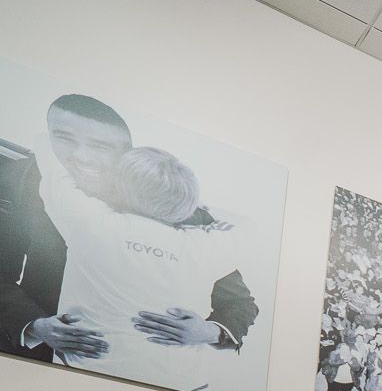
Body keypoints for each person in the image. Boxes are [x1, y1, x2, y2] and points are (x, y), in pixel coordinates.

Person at [0, 94, 259, 366]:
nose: (80, 156)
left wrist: (208, 332)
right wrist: (35, 325)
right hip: (32, 363)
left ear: (127, 153)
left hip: (153, 376)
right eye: (64, 138)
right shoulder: (15, 180)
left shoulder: (179, 208)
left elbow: (240, 303)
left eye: (100, 146)